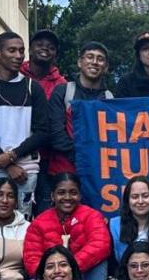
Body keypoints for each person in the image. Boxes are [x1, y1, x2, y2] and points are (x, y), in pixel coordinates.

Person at [0, 31, 50, 216]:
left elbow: (42, 132)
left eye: (21, 51)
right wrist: (7, 163)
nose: (18, 56)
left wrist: (12, 155)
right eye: (12, 50)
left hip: (25, 170)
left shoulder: (33, 88)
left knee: (20, 227)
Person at [23, 173, 111, 280]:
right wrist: (55, 272)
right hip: (52, 278)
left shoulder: (92, 216)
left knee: (100, 263)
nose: (67, 197)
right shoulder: (39, 222)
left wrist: (70, 268)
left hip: (83, 275)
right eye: (61, 193)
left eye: (73, 193)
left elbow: (100, 245)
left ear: (80, 195)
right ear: (52, 196)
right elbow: (32, 258)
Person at [45, 41, 113, 195]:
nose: (94, 62)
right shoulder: (63, 91)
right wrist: (82, 158)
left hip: (98, 177)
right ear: (79, 62)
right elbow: (55, 133)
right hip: (64, 174)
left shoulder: (110, 99)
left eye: (100, 59)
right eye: (89, 57)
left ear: (106, 67)